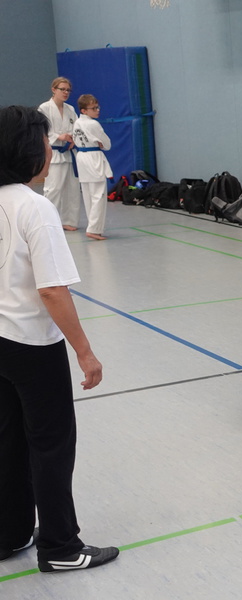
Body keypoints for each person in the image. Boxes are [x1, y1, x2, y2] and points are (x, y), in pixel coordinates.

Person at [0, 105, 119, 573]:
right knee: (50, 444)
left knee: (9, 440)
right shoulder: (34, 207)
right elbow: (52, 290)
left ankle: (9, 532)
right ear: (26, 150)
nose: (50, 151)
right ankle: (61, 547)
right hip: (32, 346)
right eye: (44, 142)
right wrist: (85, 353)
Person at [37, 77, 80, 232]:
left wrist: (74, 139)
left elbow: (77, 128)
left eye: (68, 90)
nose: (66, 92)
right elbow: (41, 130)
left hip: (69, 153)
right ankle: (47, 221)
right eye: (62, 89)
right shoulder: (44, 108)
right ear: (54, 89)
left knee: (72, 189)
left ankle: (69, 221)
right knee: (53, 189)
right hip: (54, 153)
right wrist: (58, 136)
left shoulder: (70, 109)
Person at [72, 94, 114, 240]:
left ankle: (93, 226)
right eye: (94, 108)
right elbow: (107, 144)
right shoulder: (93, 124)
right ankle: (93, 229)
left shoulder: (77, 122)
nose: (97, 110)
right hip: (93, 158)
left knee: (88, 195)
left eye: (97, 107)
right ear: (84, 110)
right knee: (98, 195)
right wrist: (101, 144)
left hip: (81, 158)